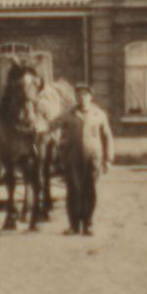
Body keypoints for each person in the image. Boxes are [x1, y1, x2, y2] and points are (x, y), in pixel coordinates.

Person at [58, 83, 115, 236]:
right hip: (73, 158)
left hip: (93, 158)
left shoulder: (99, 115)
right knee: (73, 192)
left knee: (90, 191)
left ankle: (88, 224)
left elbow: (107, 137)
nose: (82, 98)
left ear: (91, 97)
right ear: (75, 97)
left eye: (85, 95)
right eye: (79, 95)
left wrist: (108, 159)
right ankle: (74, 226)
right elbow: (53, 125)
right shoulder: (68, 114)